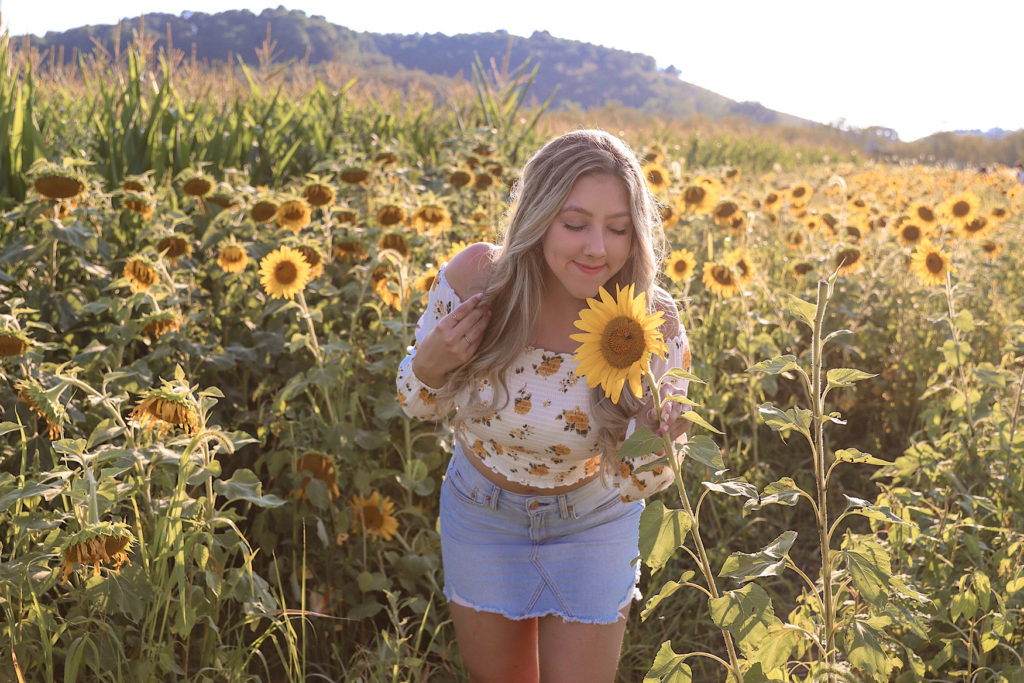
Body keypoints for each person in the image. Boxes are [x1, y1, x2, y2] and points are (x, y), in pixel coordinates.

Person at [396, 129, 692, 682]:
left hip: (594, 520)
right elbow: (417, 404)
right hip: (482, 516)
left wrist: (661, 441)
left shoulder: (651, 322)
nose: (596, 248)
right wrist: (430, 364)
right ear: (537, 215)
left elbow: (641, 481)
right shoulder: (478, 283)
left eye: (618, 229)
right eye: (575, 224)